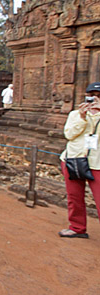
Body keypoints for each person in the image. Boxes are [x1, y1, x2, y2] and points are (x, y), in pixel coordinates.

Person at [58, 82, 100, 239]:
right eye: (92, 96)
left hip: (97, 163)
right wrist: (82, 117)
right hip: (73, 159)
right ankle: (77, 227)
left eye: (99, 96)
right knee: (74, 197)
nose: (95, 99)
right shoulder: (75, 114)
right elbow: (69, 134)